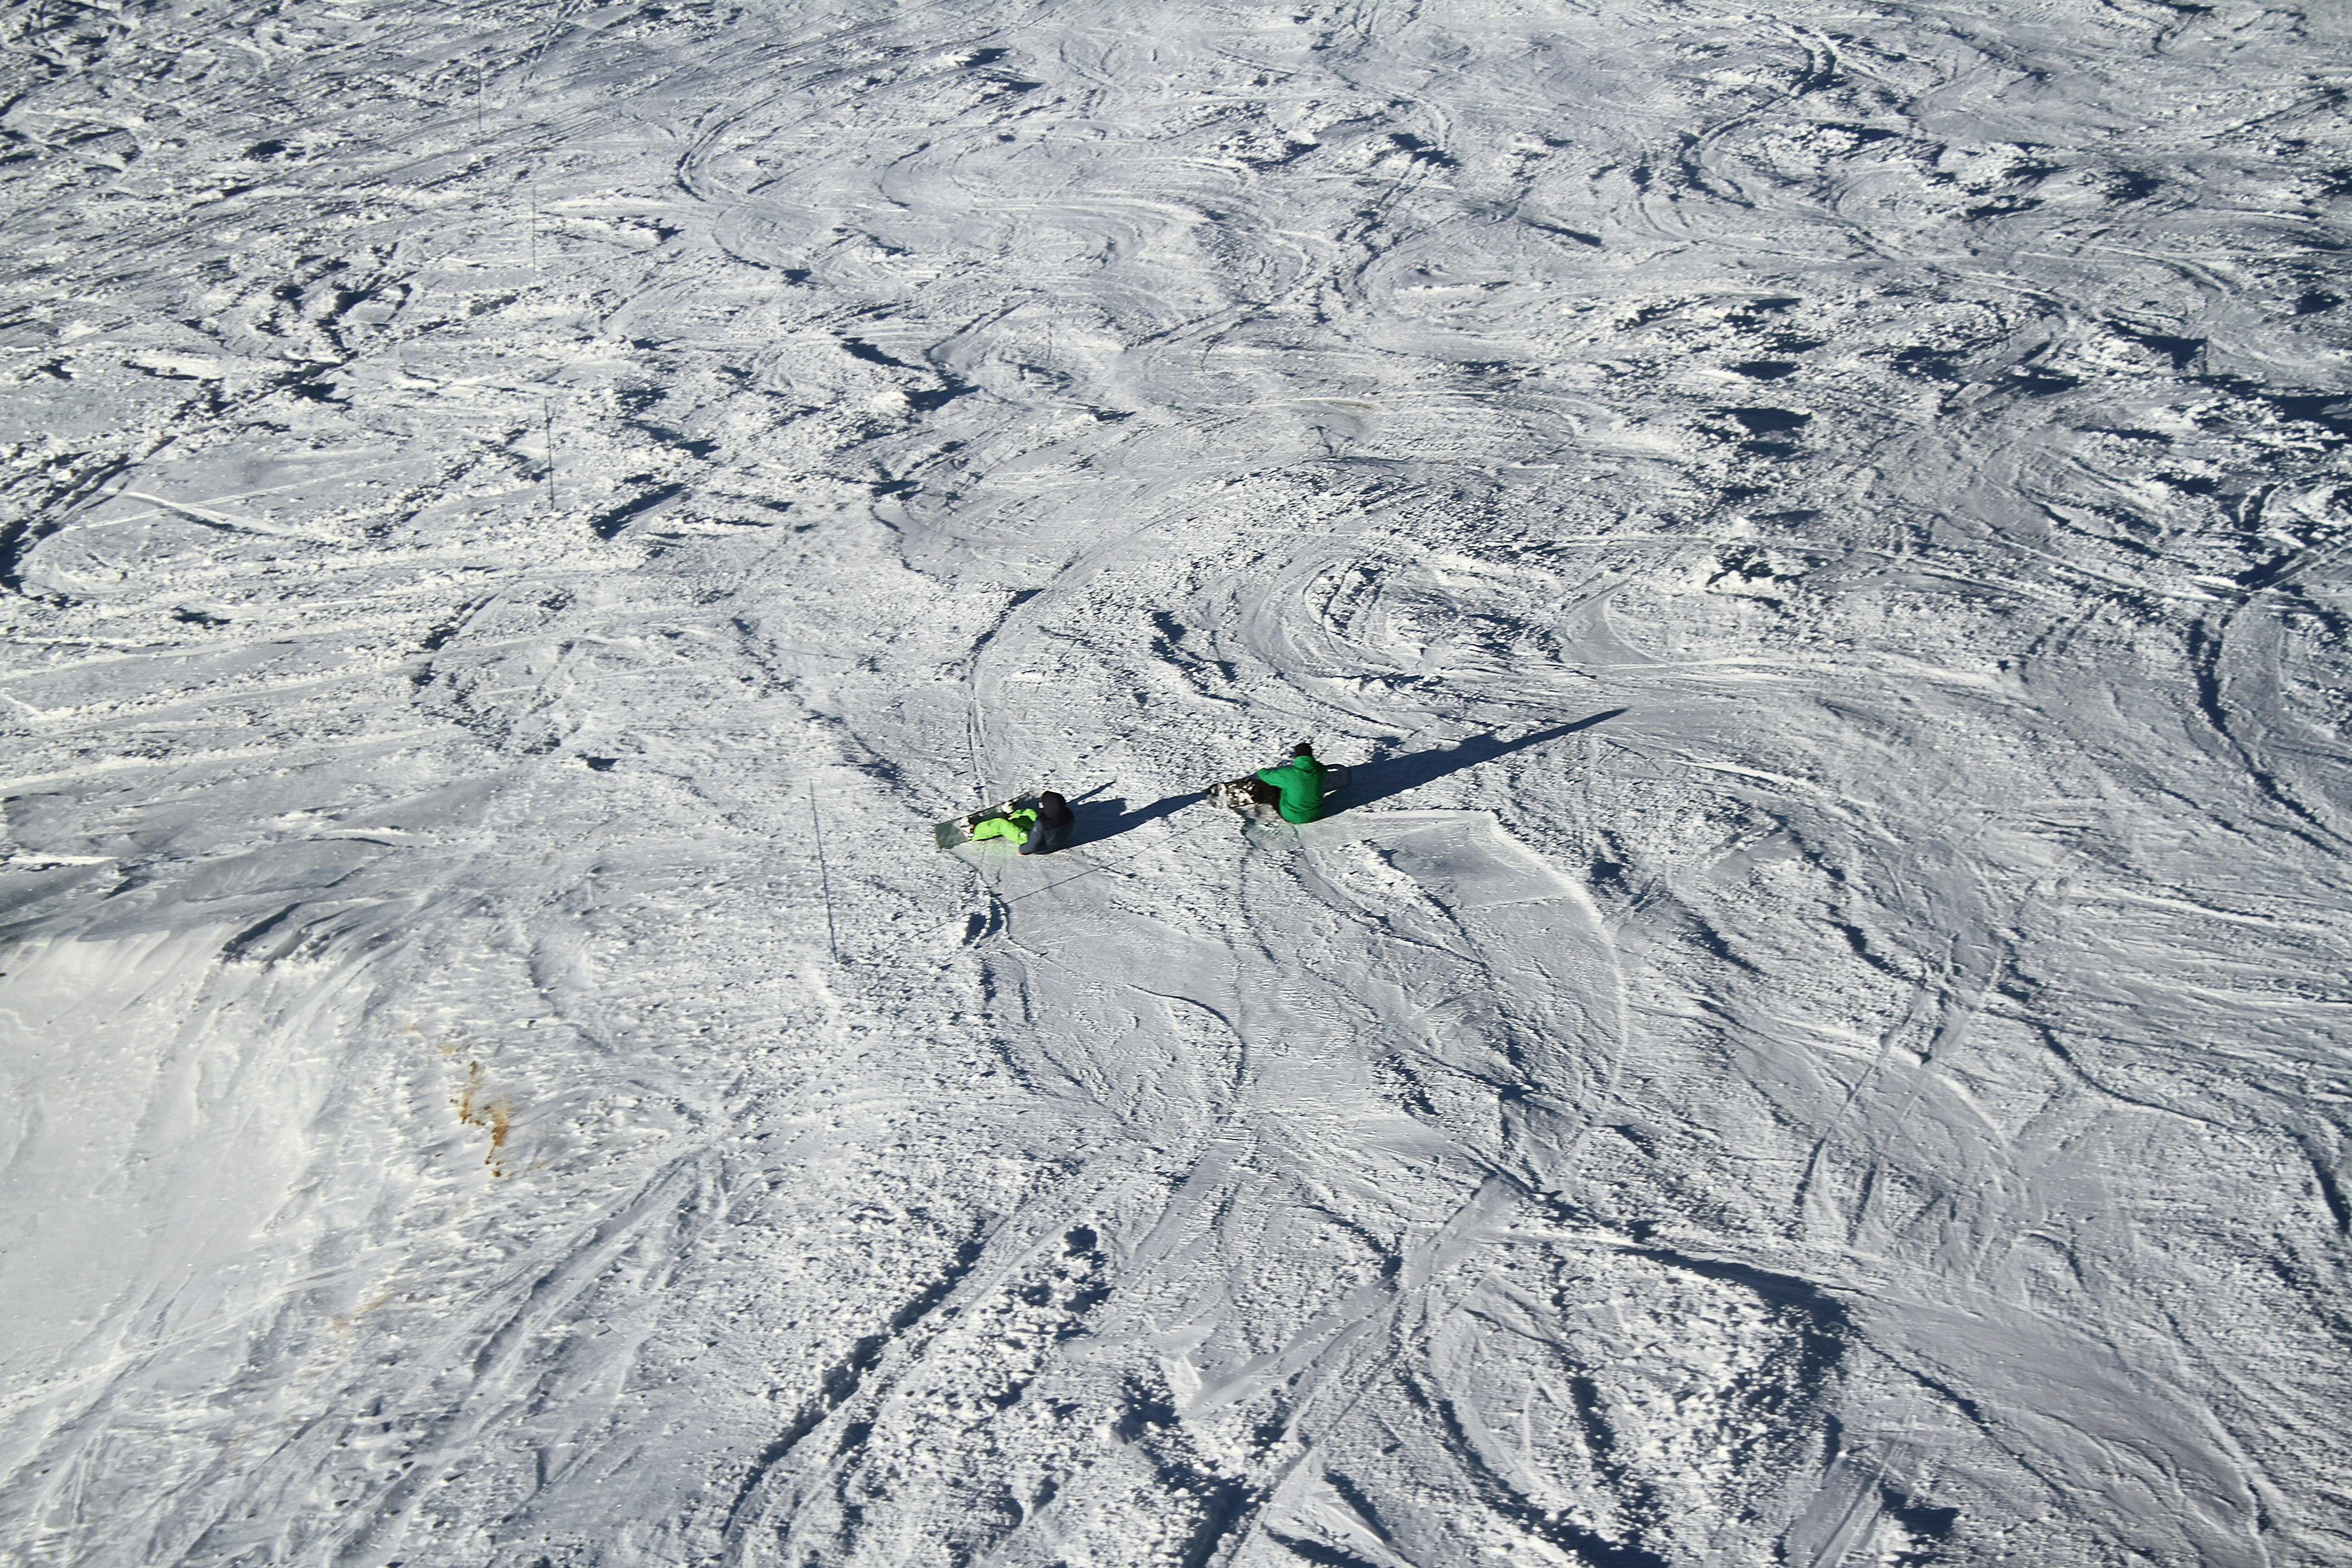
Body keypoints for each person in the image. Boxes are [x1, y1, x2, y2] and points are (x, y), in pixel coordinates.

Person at [1255, 742, 1327, 824]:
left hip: (1292, 816)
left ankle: (1256, 795)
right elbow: (1319, 766)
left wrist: (1260, 771)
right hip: (1316, 814)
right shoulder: (1322, 770)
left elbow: (1265, 776)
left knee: (1266, 783)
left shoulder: (1289, 774)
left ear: (1297, 755)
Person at [1022, 791, 1074, 855]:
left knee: (1015, 829)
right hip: (1059, 843)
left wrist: (1022, 850)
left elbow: (1031, 848)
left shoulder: (1042, 824)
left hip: (1042, 849)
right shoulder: (1069, 814)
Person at [970, 805, 1038, 849]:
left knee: (1000, 825)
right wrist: (1015, 815)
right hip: (1041, 830)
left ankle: (975, 832)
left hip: (1031, 839)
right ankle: (1012, 816)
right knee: (1025, 819)